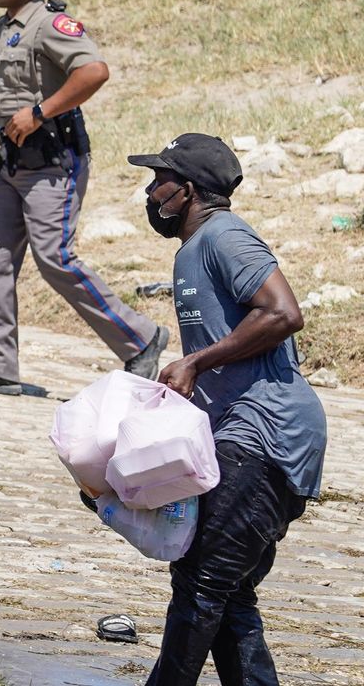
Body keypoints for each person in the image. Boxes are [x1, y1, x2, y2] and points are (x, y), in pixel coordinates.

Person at [127, 134, 325, 686]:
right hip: (244, 435)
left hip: (269, 432)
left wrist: (196, 363)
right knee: (227, 592)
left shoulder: (225, 235)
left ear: (186, 190)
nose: (150, 191)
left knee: (202, 582)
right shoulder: (192, 251)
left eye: (158, 180)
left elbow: (284, 313)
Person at [0, 0, 165, 395]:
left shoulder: (52, 25)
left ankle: (140, 339)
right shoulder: (5, 26)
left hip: (52, 162)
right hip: (9, 162)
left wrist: (41, 111)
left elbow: (94, 71)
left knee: (55, 258)